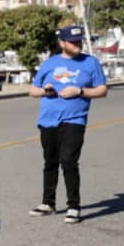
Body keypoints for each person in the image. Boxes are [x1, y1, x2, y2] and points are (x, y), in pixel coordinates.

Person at [27, 24, 109, 224]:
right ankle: (48, 203)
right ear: (61, 43)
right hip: (48, 120)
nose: (77, 44)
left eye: (79, 41)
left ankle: (74, 206)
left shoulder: (91, 63)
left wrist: (79, 91)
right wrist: (45, 90)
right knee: (50, 161)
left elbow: (102, 90)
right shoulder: (50, 63)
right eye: (72, 42)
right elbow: (32, 90)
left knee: (69, 160)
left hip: (75, 119)